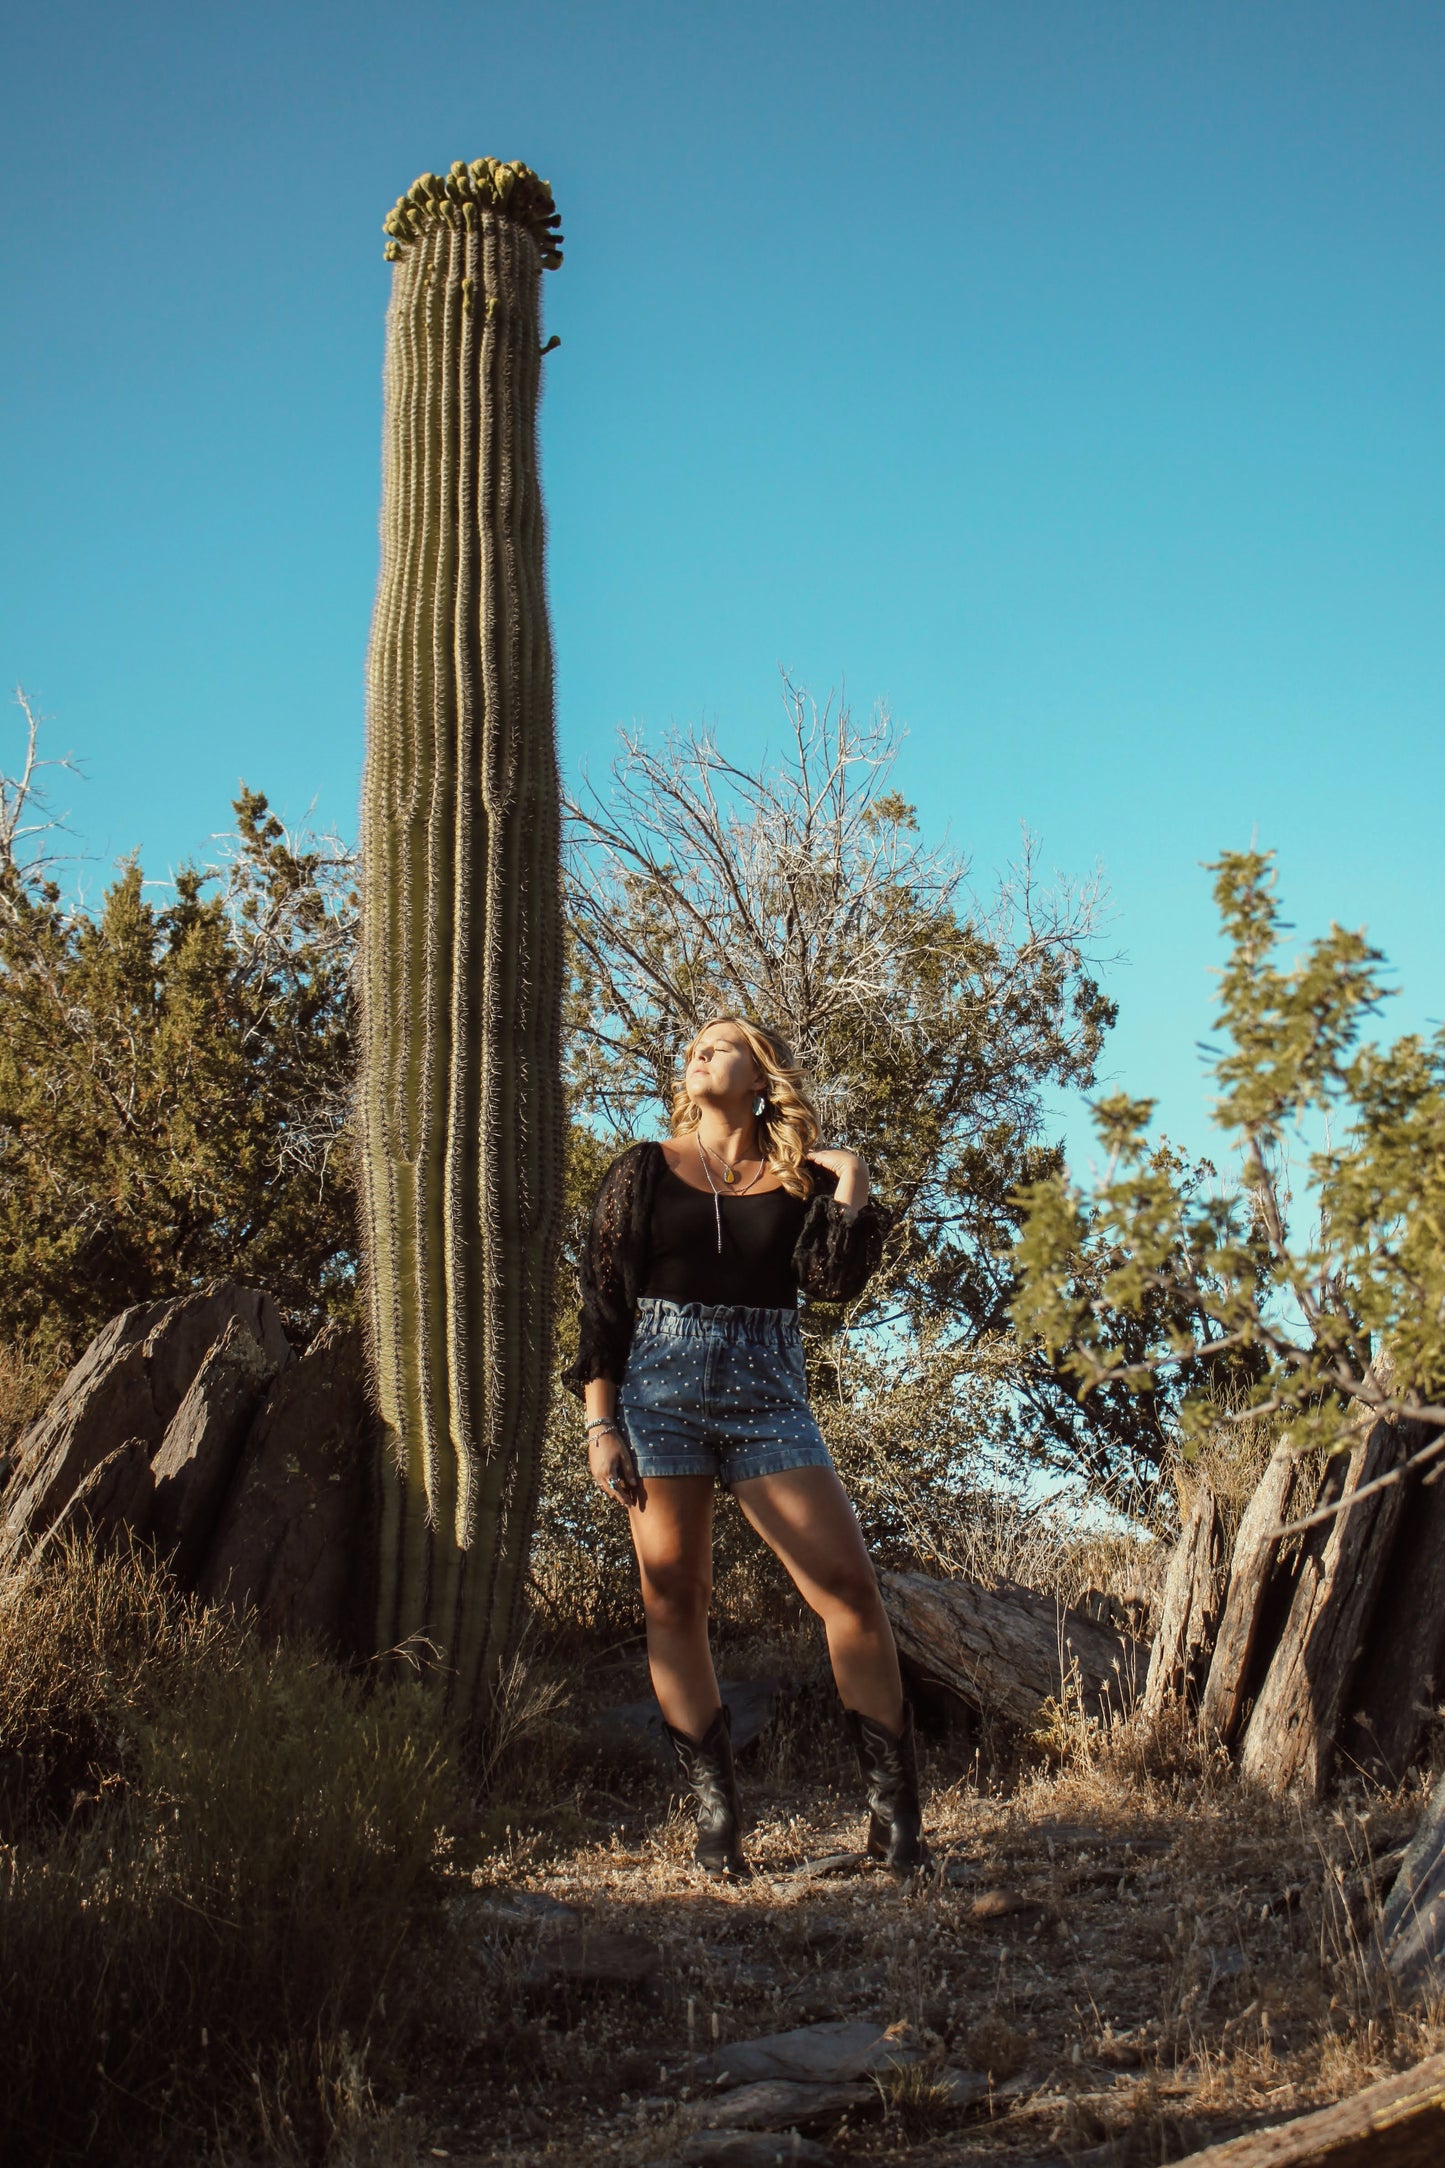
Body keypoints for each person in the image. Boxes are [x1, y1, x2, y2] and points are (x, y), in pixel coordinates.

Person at [564, 1014, 930, 1882]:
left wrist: (850, 1185)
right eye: (693, 1042)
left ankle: (895, 1820)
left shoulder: (797, 1180)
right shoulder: (642, 1169)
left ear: (760, 1074)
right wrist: (599, 1422)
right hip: (659, 1400)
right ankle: (718, 1821)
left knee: (848, 1590)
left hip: (770, 1399)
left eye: (720, 1043)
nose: (698, 1050)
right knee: (673, 1601)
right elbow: (603, 1303)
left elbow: (830, 1286)